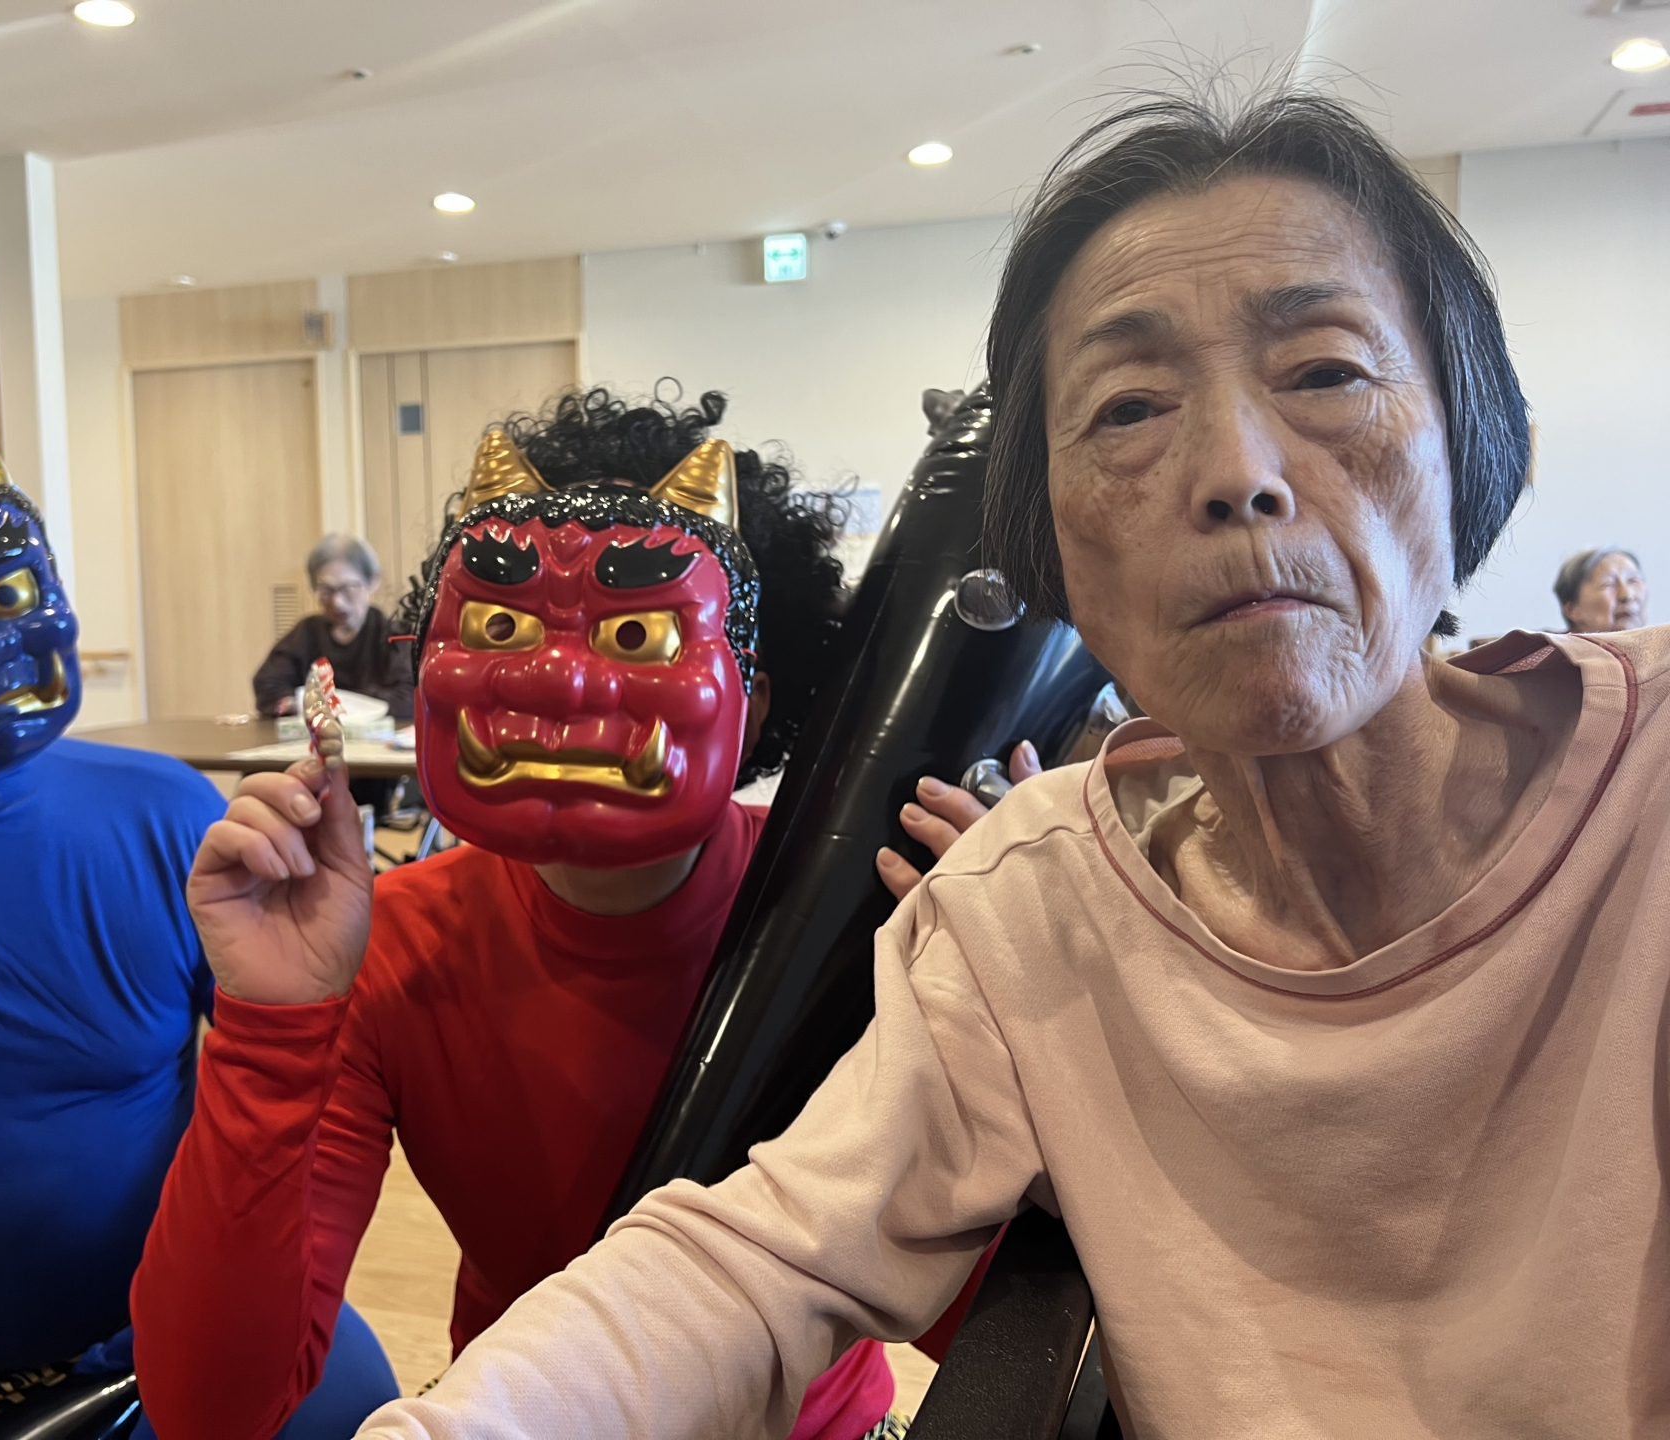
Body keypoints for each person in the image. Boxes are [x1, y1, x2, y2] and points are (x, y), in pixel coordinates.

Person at [171, 86, 1670, 1439]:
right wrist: (273, 1029)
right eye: (1129, 409)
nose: (1237, 473)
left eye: (1328, 370)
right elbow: (750, 1260)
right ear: (1052, 538)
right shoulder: (1029, 903)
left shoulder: (1640, 790)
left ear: (1484, 437)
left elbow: (975, 1317)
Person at [135, 388, 939, 1440]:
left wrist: (1010, 987)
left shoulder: (866, 909)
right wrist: (269, 1029)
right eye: (503, 627)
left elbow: (967, 1317)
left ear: (756, 704)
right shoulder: (386, 948)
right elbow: (210, 1410)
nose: (558, 679)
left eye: (638, 633)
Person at [0, 417, 395, 1440]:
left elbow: (305, 1105)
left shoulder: (161, 810)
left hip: (154, 1331)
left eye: (5, 592)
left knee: (346, 1397)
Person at [255, 535, 416, 720]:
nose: (337, 602)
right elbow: (267, 686)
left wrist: (328, 703)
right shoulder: (307, 632)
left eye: (348, 588)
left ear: (373, 581)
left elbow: (408, 698)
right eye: (326, 590)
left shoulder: (395, 635)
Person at [1553, 545, 1647, 633]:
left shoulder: (1653, 644)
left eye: (1633, 581)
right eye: (1608, 584)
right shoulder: (1551, 645)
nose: (1627, 595)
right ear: (1571, 609)